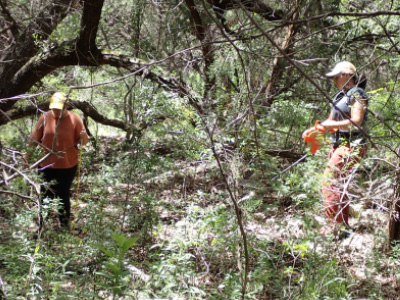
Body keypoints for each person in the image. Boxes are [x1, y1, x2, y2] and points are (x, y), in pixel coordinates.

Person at [303, 61, 368, 235]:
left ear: (347, 75)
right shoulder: (339, 96)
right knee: (339, 184)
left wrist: (332, 125)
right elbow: (330, 121)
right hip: (337, 144)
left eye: (336, 77)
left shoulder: (358, 94)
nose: (333, 80)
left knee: (330, 179)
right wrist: (316, 129)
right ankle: (343, 225)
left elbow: (356, 122)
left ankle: (336, 228)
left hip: (353, 145)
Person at [28, 92, 89, 229]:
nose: (55, 111)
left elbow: (84, 142)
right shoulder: (45, 118)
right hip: (46, 165)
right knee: (46, 196)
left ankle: (64, 225)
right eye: (54, 108)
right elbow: (33, 140)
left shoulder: (75, 119)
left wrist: (84, 136)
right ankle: (43, 226)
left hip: (67, 165)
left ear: (66, 107)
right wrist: (26, 159)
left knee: (63, 195)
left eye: (58, 109)